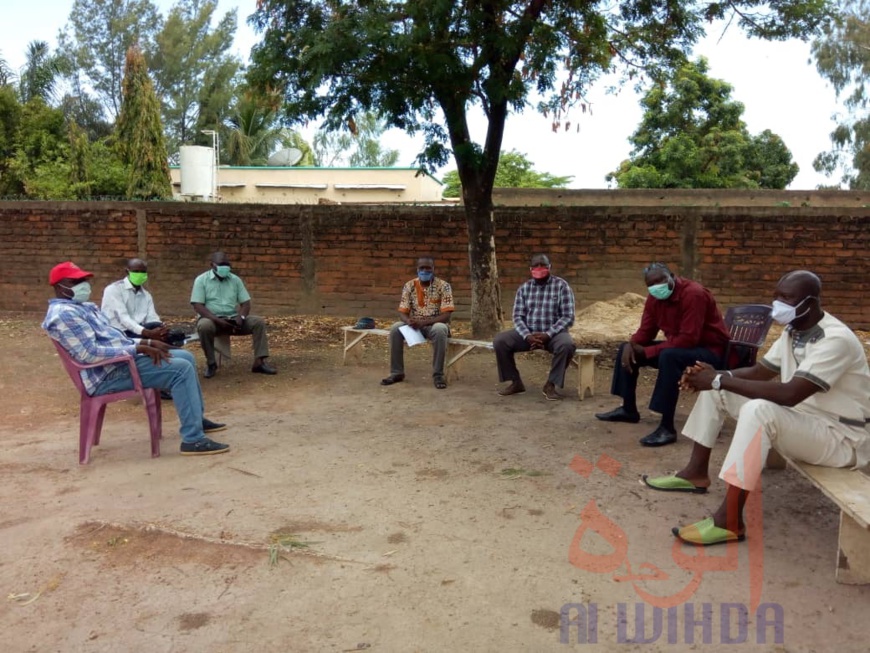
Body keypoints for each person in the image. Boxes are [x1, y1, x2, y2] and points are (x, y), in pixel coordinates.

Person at [643, 271, 869, 546]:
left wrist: (717, 379)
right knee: (718, 391)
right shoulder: (794, 330)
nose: (778, 303)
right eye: (776, 295)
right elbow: (761, 371)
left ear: (810, 303)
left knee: (757, 410)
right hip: (807, 422)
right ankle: (695, 474)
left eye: (786, 298)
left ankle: (729, 521)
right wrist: (714, 375)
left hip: (843, 438)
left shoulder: (835, 340)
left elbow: (789, 394)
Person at [43, 261, 230, 456]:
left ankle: (196, 420)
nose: (83, 285)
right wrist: (139, 347)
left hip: (118, 362)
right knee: (180, 369)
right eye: (75, 282)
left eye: (83, 280)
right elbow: (89, 354)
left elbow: (113, 338)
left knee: (185, 356)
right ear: (59, 286)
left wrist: (147, 344)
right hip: (107, 374)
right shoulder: (65, 314)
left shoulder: (83, 308)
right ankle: (193, 439)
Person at [595, 262, 731, 447]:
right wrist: (632, 343)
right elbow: (646, 330)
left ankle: (667, 427)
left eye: (660, 280)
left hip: (710, 351)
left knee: (669, 357)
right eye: (651, 284)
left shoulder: (694, 294)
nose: (656, 286)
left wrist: (649, 351)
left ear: (672, 277)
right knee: (625, 349)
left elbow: (689, 338)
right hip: (681, 348)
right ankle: (628, 409)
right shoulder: (654, 298)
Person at [493, 253, 576, 400]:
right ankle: (516, 382)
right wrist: (527, 335)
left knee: (567, 345)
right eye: (536, 265)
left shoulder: (562, 286)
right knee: (500, 341)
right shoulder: (524, 289)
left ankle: (550, 385)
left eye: (543, 265)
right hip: (528, 333)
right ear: (530, 269)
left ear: (550, 267)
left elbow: (568, 316)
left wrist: (548, 334)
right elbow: (517, 316)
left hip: (554, 335)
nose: (539, 268)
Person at [191, 252, 276, 378]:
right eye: (221, 264)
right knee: (204, 326)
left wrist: (240, 318)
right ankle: (211, 364)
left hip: (233, 320)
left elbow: (246, 303)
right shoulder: (201, 280)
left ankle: (259, 362)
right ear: (212, 265)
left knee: (258, 322)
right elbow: (198, 305)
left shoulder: (235, 280)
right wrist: (217, 320)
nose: (225, 267)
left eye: (227, 264)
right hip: (212, 320)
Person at [381, 257, 454, 389]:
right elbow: (402, 311)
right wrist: (408, 321)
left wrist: (424, 322)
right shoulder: (409, 285)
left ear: (433, 269)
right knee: (396, 328)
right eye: (422, 268)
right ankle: (397, 373)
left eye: (428, 268)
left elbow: (447, 315)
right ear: (417, 269)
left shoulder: (444, 286)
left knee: (440, 329)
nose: (425, 271)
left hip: (434, 324)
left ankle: (438, 375)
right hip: (415, 326)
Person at [100, 258, 168, 341]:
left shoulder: (146, 295)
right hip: (119, 332)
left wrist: (160, 329)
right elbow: (123, 318)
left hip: (139, 330)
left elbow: (152, 317)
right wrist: (147, 333)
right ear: (127, 272)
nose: (139, 274)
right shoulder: (114, 289)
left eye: (143, 272)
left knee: (171, 333)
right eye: (136, 271)